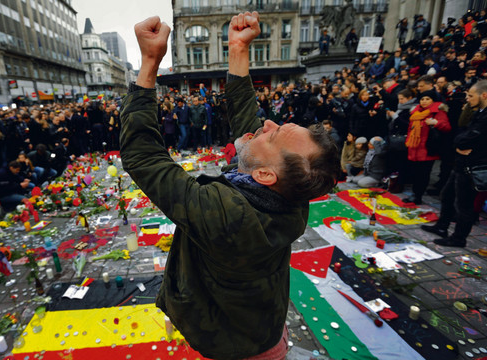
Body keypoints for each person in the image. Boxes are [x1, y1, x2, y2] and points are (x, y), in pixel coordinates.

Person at [120, 12, 339, 359]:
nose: (267, 123)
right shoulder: (294, 190)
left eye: (275, 132)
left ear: (267, 175)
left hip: (230, 346)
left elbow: (144, 159)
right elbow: (248, 126)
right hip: (262, 327)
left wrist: (148, 64)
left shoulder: (227, 214)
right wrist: (238, 48)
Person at [421, 81, 487, 247]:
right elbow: (460, 134)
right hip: (463, 163)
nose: (467, 99)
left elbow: (468, 138)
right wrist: (460, 144)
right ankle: (442, 226)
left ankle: (458, 238)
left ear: (484, 95)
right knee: (447, 196)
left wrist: (462, 143)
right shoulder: (480, 112)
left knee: (464, 205)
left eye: (471, 96)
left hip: (475, 165)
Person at [403, 90, 451, 204]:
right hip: (414, 147)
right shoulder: (415, 113)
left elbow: (447, 127)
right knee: (415, 173)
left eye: (427, 99)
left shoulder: (438, 112)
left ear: (433, 100)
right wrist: (408, 142)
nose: (424, 101)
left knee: (423, 174)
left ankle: (417, 196)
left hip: (428, 148)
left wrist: (436, 123)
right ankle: (415, 194)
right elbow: (410, 130)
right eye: (422, 99)